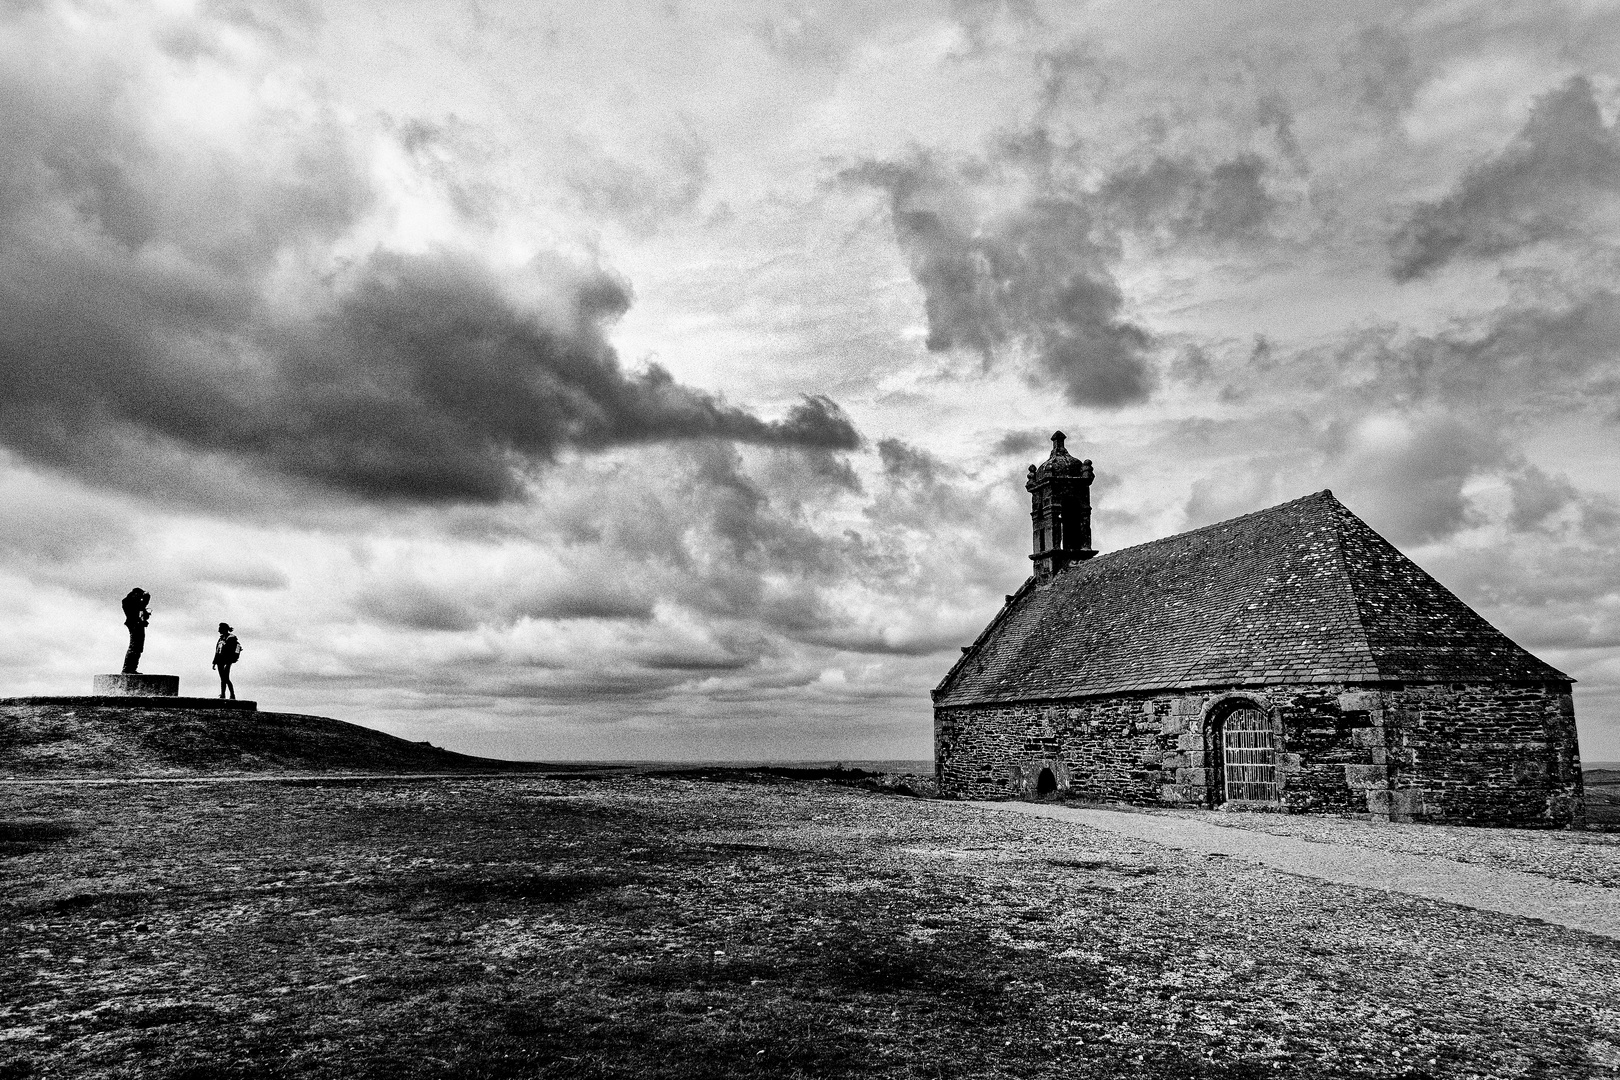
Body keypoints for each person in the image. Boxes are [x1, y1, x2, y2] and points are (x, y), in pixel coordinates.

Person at [120, 588, 150, 674]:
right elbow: (141, 604)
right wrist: (144, 595)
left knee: (138, 648)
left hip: (138, 625)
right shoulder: (128, 602)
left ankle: (131, 669)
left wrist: (146, 596)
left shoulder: (134, 602)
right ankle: (127, 669)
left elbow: (144, 603)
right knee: (134, 647)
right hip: (134, 625)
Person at [212, 623, 242, 700]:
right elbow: (217, 651)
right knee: (223, 678)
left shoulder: (231, 638)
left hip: (227, 661)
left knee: (226, 678)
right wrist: (214, 662)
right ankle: (223, 694)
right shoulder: (221, 638)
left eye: (220, 628)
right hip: (220, 661)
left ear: (224, 629)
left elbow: (230, 652)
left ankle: (231, 694)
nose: (218, 630)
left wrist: (228, 663)